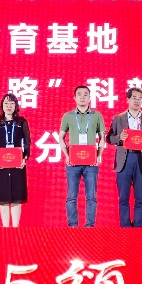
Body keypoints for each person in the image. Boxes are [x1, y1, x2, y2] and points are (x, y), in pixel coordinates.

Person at [106, 86, 142, 228]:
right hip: (125, 160)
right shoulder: (118, 118)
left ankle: (138, 228)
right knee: (123, 198)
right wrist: (120, 138)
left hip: (141, 160)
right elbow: (109, 138)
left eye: (139, 98)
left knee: (140, 198)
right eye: (134, 98)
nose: (137, 101)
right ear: (128, 99)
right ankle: (125, 227)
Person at [59, 85, 105, 227]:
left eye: (86, 94)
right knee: (71, 197)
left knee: (91, 197)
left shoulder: (97, 115)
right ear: (75, 98)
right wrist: (67, 155)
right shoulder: (68, 116)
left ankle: (89, 226)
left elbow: (102, 137)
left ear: (90, 98)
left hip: (91, 163)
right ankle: (73, 226)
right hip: (73, 162)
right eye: (79, 94)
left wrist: (99, 155)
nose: (82, 97)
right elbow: (61, 137)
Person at [0, 92, 30, 227]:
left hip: (18, 163)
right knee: (3, 198)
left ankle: (15, 229)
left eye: (12, 103)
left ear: (16, 106)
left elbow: (27, 142)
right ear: (2, 105)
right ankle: (5, 229)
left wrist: (25, 158)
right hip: (1, 164)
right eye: (6, 103)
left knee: (17, 197)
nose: (9, 106)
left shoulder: (21, 122)